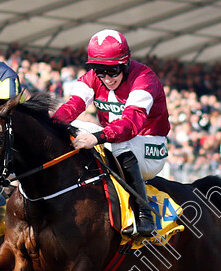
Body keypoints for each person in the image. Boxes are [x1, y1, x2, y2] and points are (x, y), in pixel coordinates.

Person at [52, 29, 169, 237]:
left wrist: (97, 137)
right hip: (116, 140)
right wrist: (49, 124)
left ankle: (144, 214)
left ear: (124, 64)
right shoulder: (92, 78)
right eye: (99, 70)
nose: (106, 78)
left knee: (113, 141)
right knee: (74, 127)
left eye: (113, 71)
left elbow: (131, 123)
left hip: (150, 145)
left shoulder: (144, 78)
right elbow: (73, 106)